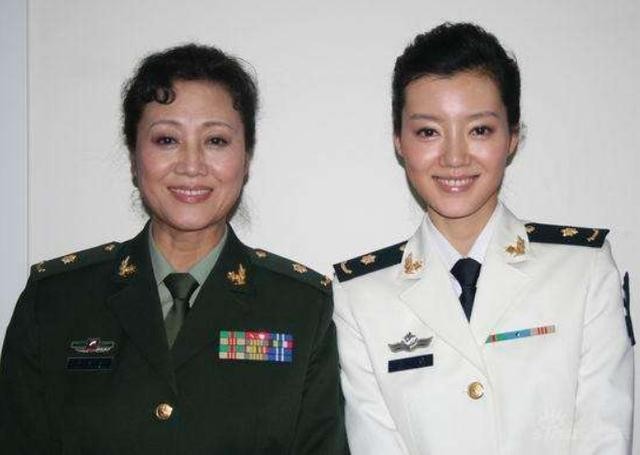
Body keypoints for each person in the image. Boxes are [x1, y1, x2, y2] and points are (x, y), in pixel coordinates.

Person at [0, 44, 345, 454]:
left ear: (246, 158)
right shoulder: (54, 302)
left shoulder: (301, 309)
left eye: (215, 140)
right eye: (167, 139)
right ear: (134, 156)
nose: (191, 165)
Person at [333, 23, 633, 454]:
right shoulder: (361, 296)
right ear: (399, 141)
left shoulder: (583, 271)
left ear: (513, 137)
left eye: (479, 130)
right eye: (428, 132)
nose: (455, 157)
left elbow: (604, 438)